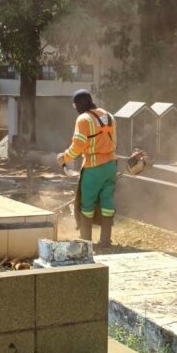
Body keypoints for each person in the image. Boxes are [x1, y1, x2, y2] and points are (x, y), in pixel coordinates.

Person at [57, 89, 117, 246]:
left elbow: (77, 146)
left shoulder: (83, 119)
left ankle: (86, 242)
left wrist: (64, 157)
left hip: (94, 167)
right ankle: (105, 241)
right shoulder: (109, 116)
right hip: (111, 165)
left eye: (74, 106)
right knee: (107, 202)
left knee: (87, 204)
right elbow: (113, 141)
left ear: (77, 105)